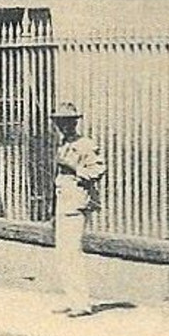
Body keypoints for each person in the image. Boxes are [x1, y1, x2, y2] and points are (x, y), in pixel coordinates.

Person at [51, 102, 106, 318]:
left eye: (67, 121)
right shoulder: (63, 145)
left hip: (76, 204)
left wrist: (74, 168)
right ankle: (73, 300)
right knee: (63, 255)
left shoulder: (86, 144)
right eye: (60, 122)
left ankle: (81, 303)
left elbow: (98, 169)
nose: (63, 126)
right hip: (63, 203)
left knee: (72, 254)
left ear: (75, 122)